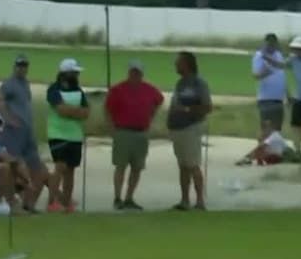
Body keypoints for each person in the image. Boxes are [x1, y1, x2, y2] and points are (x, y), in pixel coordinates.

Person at [104, 60, 165, 211]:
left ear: (142, 74)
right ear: (129, 72)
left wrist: (151, 117)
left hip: (141, 132)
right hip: (123, 131)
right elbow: (108, 109)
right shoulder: (118, 89)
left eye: (138, 72)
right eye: (133, 72)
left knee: (137, 167)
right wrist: (111, 129)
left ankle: (129, 198)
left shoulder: (149, 89)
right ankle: (117, 198)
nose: (135, 75)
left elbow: (159, 101)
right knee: (121, 166)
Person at [0, 54, 48, 212]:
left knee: (36, 166)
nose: (21, 69)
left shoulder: (25, 84)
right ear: (14, 67)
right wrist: (8, 118)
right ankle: (11, 202)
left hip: (28, 131)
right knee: (14, 166)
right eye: (19, 66)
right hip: (14, 132)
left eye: (24, 66)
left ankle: (29, 204)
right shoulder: (9, 84)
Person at [166, 51, 213, 211]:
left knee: (193, 165)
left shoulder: (199, 84)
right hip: (177, 129)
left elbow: (207, 107)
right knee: (183, 166)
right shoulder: (180, 83)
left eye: (178, 62)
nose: (176, 65)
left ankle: (200, 201)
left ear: (187, 64)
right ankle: (184, 200)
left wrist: (186, 110)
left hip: (191, 128)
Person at [44, 57, 89, 213]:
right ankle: (52, 202)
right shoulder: (54, 89)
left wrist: (71, 110)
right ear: (65, 73)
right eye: (74, 73)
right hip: (57, 134)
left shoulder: (79, 91)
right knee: (60, 167)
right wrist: (76, 111)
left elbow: (86, 113)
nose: (77, 75)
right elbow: (60, 110)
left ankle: (67, 202)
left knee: (70, 170)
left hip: (75, 136)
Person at [252, 33, 286, 140]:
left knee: (277, 128)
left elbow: (282, 76)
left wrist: (288, 93)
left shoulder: (279, 55)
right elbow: (256, 75)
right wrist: (265, 72)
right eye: (269, 43)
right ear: (265, 43)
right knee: (266, 128)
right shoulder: (259, 56)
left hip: (279, 98)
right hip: (265, 98)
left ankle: (273, 149)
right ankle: (262, 148)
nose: (271, 46)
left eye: (273, 43)